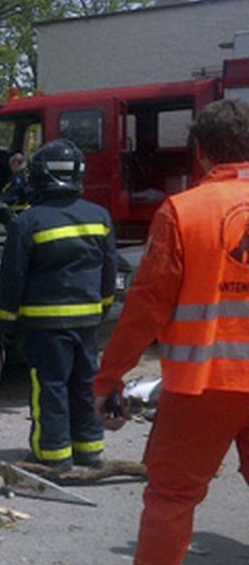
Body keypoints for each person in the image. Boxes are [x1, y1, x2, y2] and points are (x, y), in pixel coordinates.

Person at [93, 99, 249, 565]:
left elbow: (145, 309)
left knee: (171, 498)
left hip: (203, 387)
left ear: (199, 151)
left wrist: (109, 379)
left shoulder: (183, 212)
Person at [0, 138, 117, 473]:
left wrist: (6, 320)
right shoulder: (99, 216)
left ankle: (53, 454)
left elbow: (12, 277)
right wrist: (102, 307)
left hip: (44, 326)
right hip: (88, 323)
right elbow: (109, 270)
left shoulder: (27, 222)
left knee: (50, 388)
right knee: (85, 384)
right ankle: (90, 450)